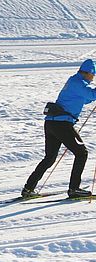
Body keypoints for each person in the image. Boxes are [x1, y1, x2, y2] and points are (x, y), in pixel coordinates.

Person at [22, 59, 96, 199]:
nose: (93, 78)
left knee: (49, 158)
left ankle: (28, 188)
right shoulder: (78, 83)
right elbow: (91, 95)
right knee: (82, 153)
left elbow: (86, 99)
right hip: (62, 124)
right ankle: (74, 189)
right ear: (88, 73)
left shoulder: (75, 81)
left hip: (51, 123)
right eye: (93, 75)